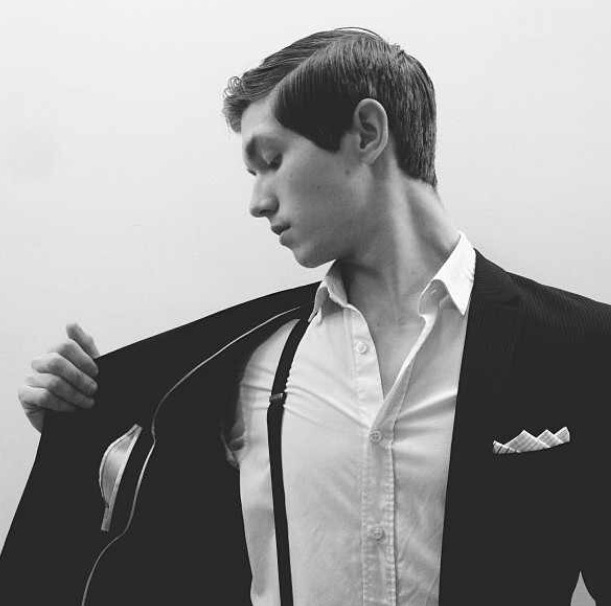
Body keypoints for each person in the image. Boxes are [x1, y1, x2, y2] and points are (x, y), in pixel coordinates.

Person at [1, 26, 609, 606]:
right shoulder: (243, 365)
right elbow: (143, 543)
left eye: (271, 159)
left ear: (367, 133)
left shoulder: (583, 346)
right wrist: (77, 423)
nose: (257, 201)